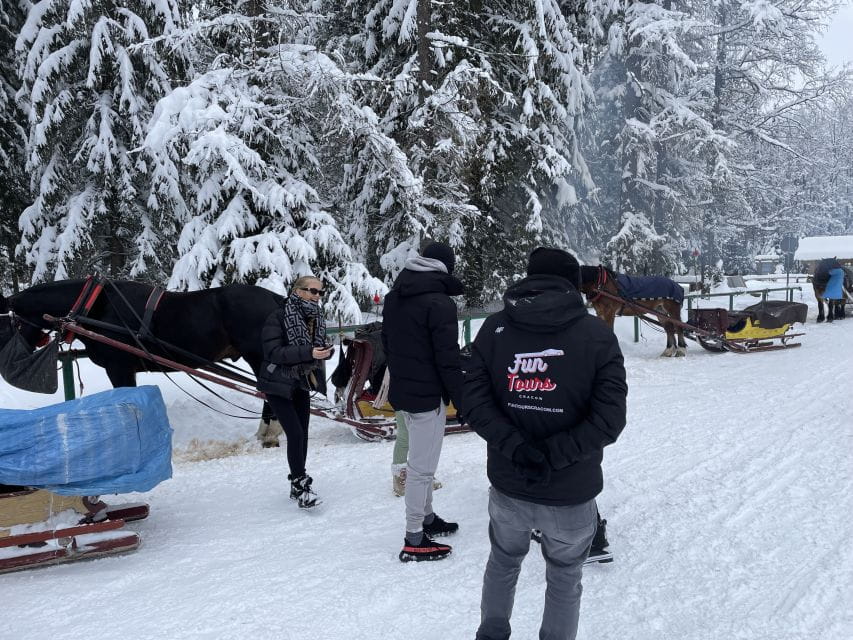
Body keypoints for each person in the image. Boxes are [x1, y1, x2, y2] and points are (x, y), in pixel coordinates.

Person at [464, 246, 627, 640]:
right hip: (569, 493)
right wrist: (549, 455)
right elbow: (609, 421)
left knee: (503, 562)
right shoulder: (596, 336)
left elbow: (473, 401)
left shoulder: (494, 328)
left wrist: (518, 449)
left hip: (510, 483)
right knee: (565, 576)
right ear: (573, 285)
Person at [382, 240, 464, 562]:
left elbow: (387, 342)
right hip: (427, 396)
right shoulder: (439, 303)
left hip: (404, 392)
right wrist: (462, 399)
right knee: (421, 468)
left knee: (423, 464)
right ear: (445, 268)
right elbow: (448, 358)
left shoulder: (395, 296)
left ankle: (428, 518)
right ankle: (414, 536)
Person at [257, 275, 334, 509]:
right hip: (277, 383)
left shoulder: (315, 317)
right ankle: (300, 485)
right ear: (298, 291)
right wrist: (310, 353)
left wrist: (325, 352)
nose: (317, 296)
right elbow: (274, 352)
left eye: (320, 293)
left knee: (303, 434)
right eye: (312, 291)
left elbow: (316, 347)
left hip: (300, 381)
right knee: (295, 434)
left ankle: (297, 483)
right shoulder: (279, 316)